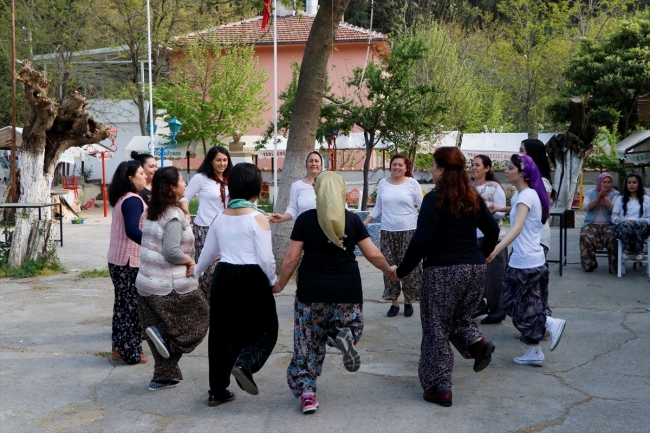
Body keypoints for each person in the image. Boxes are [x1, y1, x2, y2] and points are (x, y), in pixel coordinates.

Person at [273, 171, 396, 414]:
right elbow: (373, 254)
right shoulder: (352, 220)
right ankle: (344, 336)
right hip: (347, 289)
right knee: (347, 326)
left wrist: (280, 285)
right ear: (340, 192)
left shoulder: (305, 220)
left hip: (312, 291)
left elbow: (291, 259)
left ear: (317, 191)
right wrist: (390, 270)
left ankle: (308, 394)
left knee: (306, 343)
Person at [392, 147, 499, 408]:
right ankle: (477, 342)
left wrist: (402, 271)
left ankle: (439, 387)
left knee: (436, 328)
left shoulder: (435, 199)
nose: (430, 169)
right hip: (473, 270)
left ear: (441, 169)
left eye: (432, 165)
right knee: (460, 318)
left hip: (442, 271)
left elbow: (422, 240)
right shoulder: (472, 196)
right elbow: (493, 228)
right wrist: (481, 255)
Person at [194, 163, 278, 407]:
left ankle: (217, 390)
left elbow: (208, 254)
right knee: (265, 330)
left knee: (221, 334)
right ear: (255, 188)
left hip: (223, 276)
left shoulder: (220, 216)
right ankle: (245, 364)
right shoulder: (258, 218)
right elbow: (265, 258)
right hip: (251, 277)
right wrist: (272, 281)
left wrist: (195, 275)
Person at [487, 154, 566, 368]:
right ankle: (535, 350)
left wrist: (495, 251)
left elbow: (518, 227)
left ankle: (548, 322)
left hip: (526, 263)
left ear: (523, 172)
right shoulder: (524, 196)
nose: (506, 170)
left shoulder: (525, 197)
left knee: (511, 303)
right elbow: (519, 222)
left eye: (511, 167)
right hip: (529, 260)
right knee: (525, 305)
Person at [135, 167, 209, 391]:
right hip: (167, 284)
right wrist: (190, 261)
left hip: (145, 284)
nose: (185, 184)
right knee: (201, 316)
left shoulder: (153, 210)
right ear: (172, 187)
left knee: (160, 326)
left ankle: (162, 377)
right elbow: (172, 252)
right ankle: (165, 338)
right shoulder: (174, 215)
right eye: (181, 181)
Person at [363, 154, 423, 318]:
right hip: (387, 232)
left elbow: (423, 206)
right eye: (394, 164)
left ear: (406, 168)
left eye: (400, 165)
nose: (397, 167)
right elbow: (378, 207)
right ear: (390, 166)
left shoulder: (412, 184)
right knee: (388, 266)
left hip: (409, 231)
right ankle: (394, 302)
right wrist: (365, 223)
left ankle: (408, 301)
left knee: (408, 267)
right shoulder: (383, 183)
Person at [107, 160, 148, 365]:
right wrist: (153, 245)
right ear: (131, 178)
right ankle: (131, 351)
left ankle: (119, 347)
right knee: (132, 307)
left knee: (123, 305)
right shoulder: (132, 200)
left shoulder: (123, 197)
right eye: (141, 173)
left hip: (118, 260)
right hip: (129, 262)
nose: (145, 176)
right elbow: (132, 230)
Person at [180, 146, 232, 296]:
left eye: (225, 160)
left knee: (223, 266)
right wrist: (186, 211)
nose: (222, 163)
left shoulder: (232, 178)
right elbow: (185, 197)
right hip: (205, 228)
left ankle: (218, 300)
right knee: (209, 268)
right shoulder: (201, 178)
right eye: (218, 160)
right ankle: (205, 300)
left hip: (227, 229)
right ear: (210, 161)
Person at [471, 155, 507, 324]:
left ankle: (496, 311)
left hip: (493, 238)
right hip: (472, 237)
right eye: (472, 165)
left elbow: (501, 212)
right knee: (473, 276)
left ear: (487, 168)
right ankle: (479, 305)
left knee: (494, 277)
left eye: (477, 165)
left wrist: (486, 210)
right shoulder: (468, 187)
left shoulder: (494, 187)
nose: (474, 168)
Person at [579, 173, 620, 272]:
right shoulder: (590, 193)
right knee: (584, 235)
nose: (606, 184)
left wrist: (604, 198)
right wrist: (598, 199)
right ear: (599, 183)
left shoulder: (615, 194)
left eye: (609, 182)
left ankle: (614, 266)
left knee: (614, 237)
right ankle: (590, 264)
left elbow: (614, 209)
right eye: (604, 182)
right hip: (591, 224)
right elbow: (585, 207)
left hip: (609, 224)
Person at [270, 151, 322, 223]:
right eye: (310, 161)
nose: (313, 163)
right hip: (304, 228)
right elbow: (293, 209)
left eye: (316, 161)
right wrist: (283, 217)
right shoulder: (297, 185)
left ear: (321, 165)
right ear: (306, 165)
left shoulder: (328, 185)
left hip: (324, 230)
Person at [612, 173, 650, 261]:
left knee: (639, 223)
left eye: (634, 182)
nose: (631, 185)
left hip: (642, 228)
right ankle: (626, 250)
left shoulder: (646, 199)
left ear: (639, 184)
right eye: (629, 183)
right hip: (624, 228)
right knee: (626, 225)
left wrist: (638, 221)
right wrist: (625, 221)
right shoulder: (620, 199)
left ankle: (639, 250)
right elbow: (614, 217)